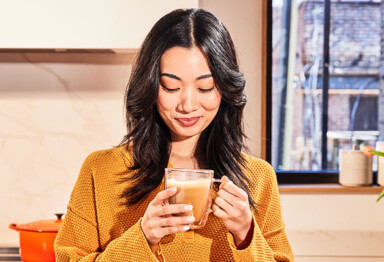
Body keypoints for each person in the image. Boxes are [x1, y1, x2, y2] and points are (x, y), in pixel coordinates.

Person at [54, 8, 294, 262]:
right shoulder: (101, 170)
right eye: (171, 86)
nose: (188, 105)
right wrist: (141, 238)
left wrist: (246, 233)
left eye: (205, 87)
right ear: (149, 85)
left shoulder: (258, 177)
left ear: (224, 88)